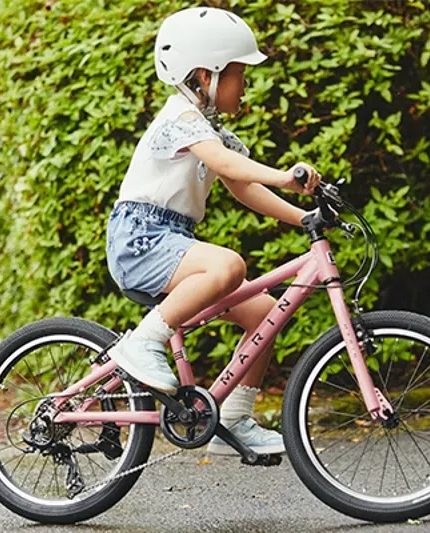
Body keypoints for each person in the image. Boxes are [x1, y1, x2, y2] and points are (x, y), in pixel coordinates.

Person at [105, 6, 321, 456]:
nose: (246, 84)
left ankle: (235, 417)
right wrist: (285, 176)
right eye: (240, 72)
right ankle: (144, 343)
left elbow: (243, 186)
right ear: (207, 74)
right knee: (227, 263)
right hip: (140, 239)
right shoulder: (179, 119)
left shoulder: (206, 127)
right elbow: (225, 164)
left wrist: (304, 217)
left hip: (172, 240)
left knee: (264, 311)